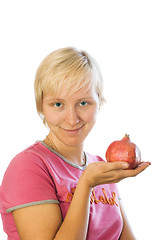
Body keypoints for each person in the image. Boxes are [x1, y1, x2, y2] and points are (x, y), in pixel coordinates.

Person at [0, 47, 151, 240]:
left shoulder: (100, 167)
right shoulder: (28, 167)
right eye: (58, 104)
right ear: (41, 106)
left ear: (100, 102)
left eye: (83, 103)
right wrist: (86, 184)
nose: (72, 119)